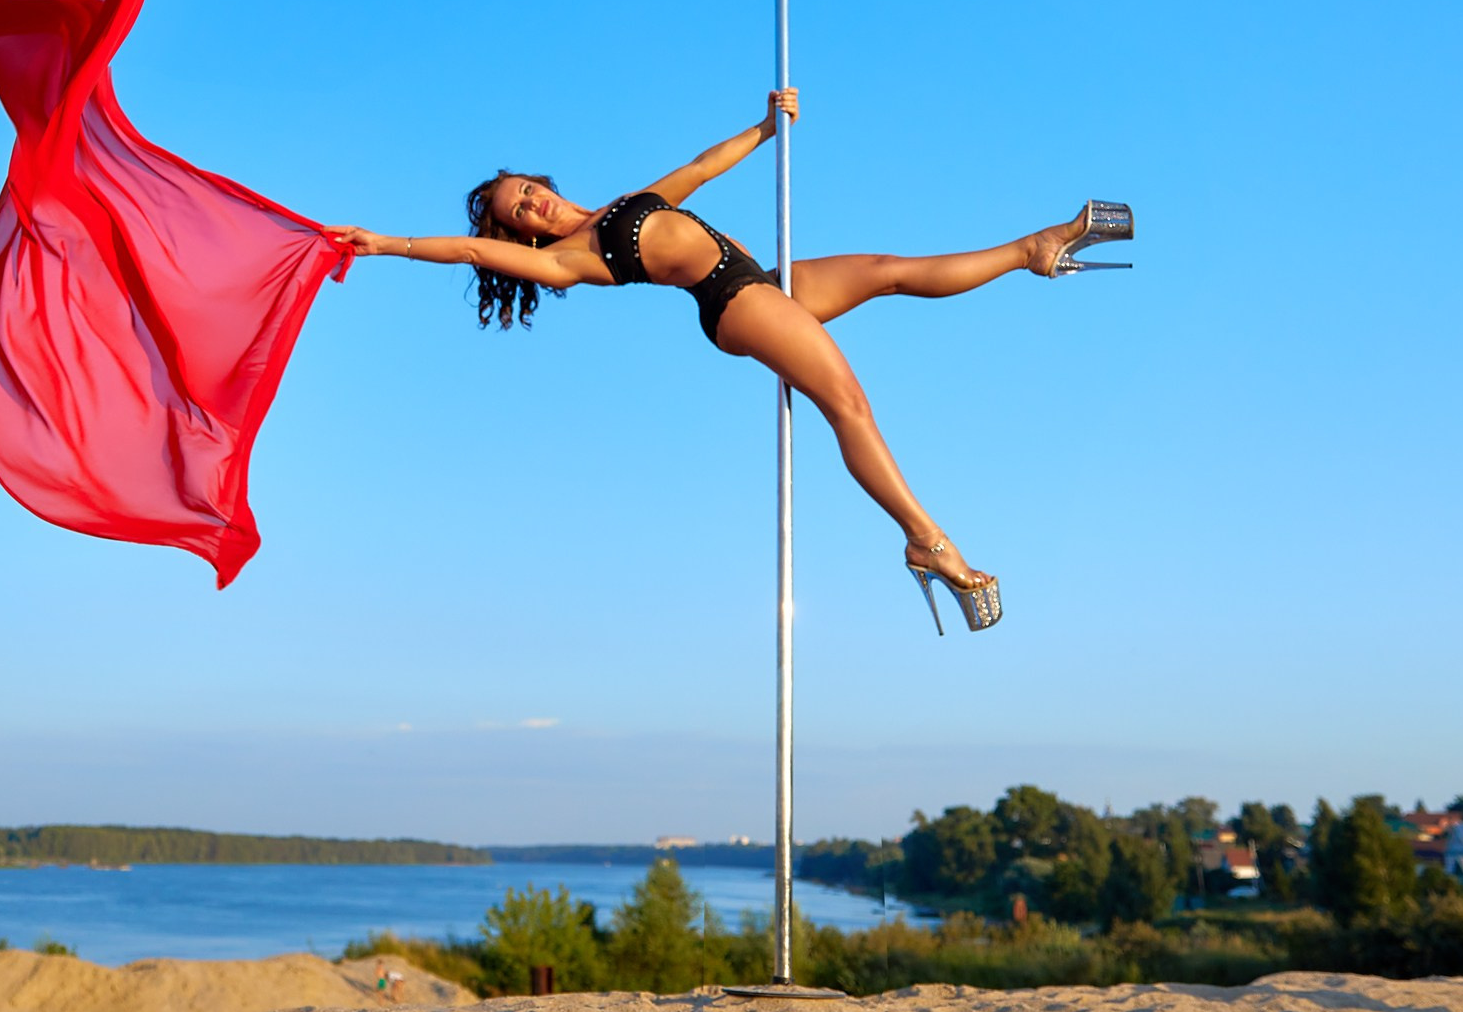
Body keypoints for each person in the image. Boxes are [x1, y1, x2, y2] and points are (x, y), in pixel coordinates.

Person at [325, 90, 1133, 635]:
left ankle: (1035, 248)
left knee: (891, 269)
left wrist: (767, 124)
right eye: (516, 213)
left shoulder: (621, 205)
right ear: (523, 236)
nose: (528, 203)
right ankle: (927, 539)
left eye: (524, 189)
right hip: (730, 303)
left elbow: (704, 166)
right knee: (847, 400)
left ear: (539, 179)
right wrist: (385, 242)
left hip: (757, 279)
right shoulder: (570, 257)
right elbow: (465, 246)